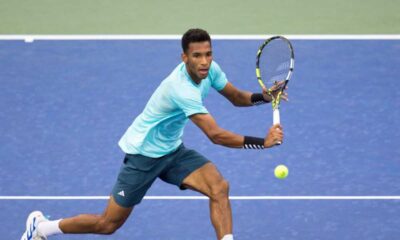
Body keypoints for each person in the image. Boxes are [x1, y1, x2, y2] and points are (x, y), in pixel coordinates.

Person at [21, 28, 285, 240]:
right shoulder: (181, 89)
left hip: (172, 150)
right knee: (107, 224)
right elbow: (215, 135)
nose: (204, 61)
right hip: (143, 155)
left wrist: (264, 96)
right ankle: (43, 228)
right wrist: (262, 143)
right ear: (184, 58)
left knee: (219, 187)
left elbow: (236, 97)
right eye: (197, 56)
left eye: (208, 54)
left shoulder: (210, 70)